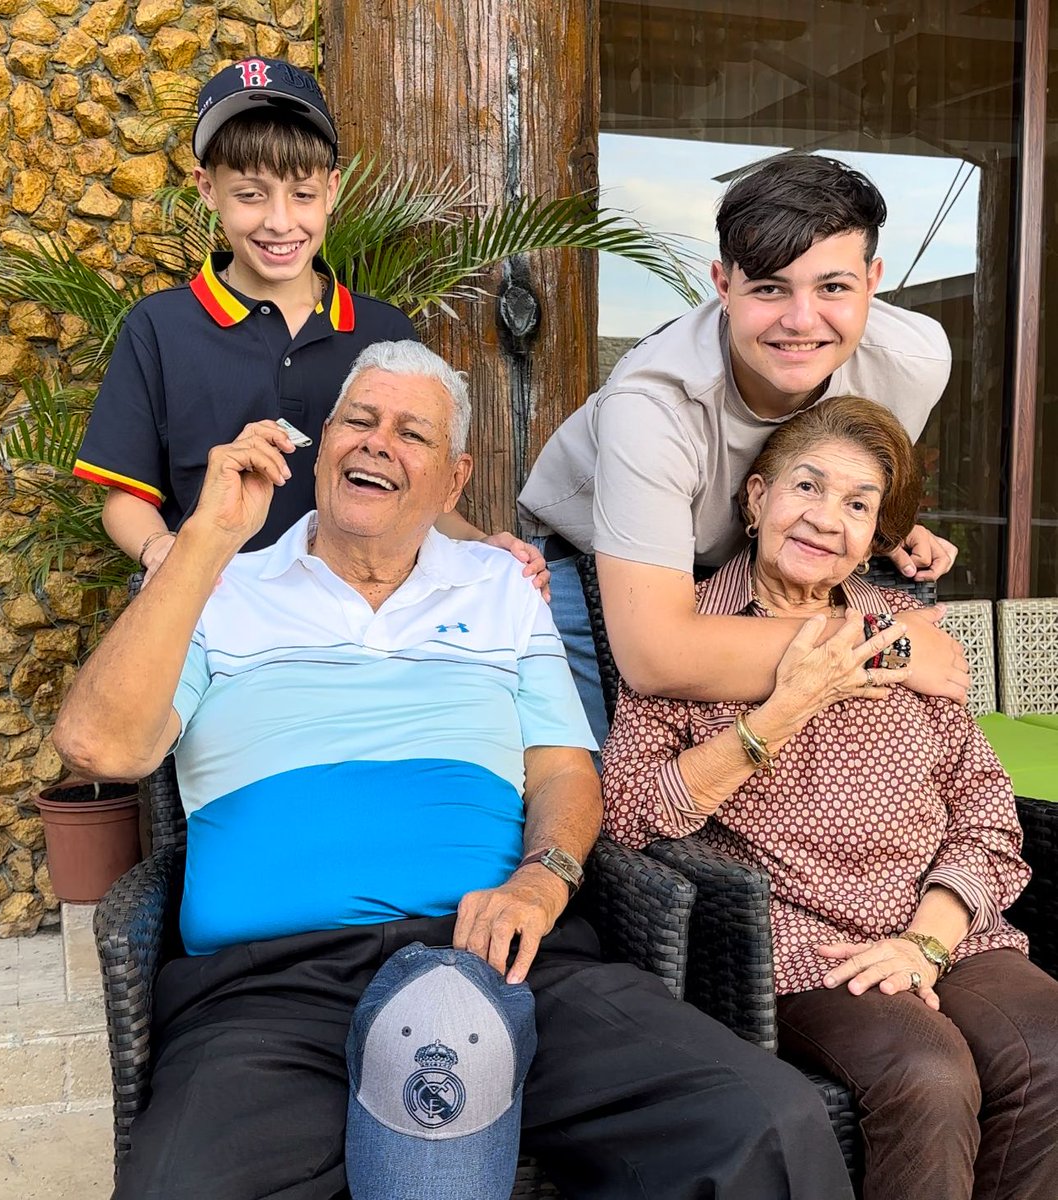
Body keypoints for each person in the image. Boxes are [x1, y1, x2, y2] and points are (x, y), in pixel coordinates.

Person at [54, 340, 854, 1200]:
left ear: (454, 480)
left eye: (411, 433)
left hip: (503, 958)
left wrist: (543, 881)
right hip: (269, 993)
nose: (375, 442)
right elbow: (101, 747)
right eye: (357, 421)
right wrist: (204, 543)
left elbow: (561, 772)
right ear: (320, 446)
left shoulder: (501, 588)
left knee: (765, 1121)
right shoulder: (217, 588)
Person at [602, 395, 1058, 1200]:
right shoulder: (688, 636)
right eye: (806, 488)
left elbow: (985, 802)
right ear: (756, 499)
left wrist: (928, 938)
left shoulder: (903, 628)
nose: (825, 520)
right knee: (928, 1074)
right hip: (804, 944)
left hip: (939, 922)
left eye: (857, 505)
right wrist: (780, 712)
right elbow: (629, 813)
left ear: (876, 535)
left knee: (1049, 1047)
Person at [518, 152, 967, 743]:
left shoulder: (915, 361)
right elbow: (656, 655)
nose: (802, 321)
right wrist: (892, 647)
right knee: (619, 796)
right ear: (724, 286)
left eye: (833, 286)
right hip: (601, 568)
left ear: (873, 281)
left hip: (759, 566)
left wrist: (881, 523)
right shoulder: (653, 405)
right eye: (769, 288)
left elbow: (849, 469)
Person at [72, 57, 546, 591]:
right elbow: (127, 496)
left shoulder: (386, 331)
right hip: (215, 609)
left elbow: (417, 493)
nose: (279, 221)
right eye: (250, 194)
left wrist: (484, 547)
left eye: (302, 194)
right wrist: (162, 552)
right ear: (207, 189)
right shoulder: (159, 325)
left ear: (333, 189)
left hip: (360, 614)